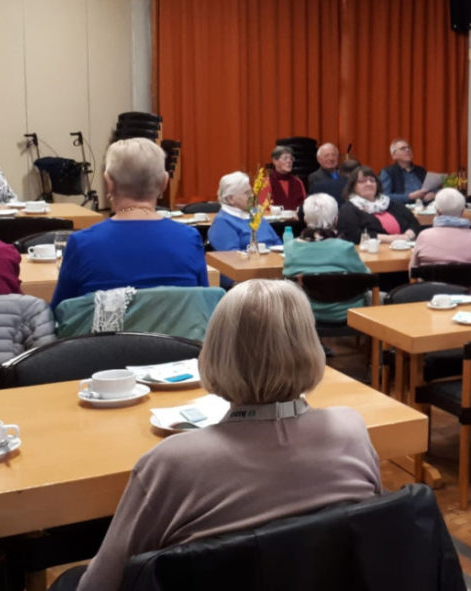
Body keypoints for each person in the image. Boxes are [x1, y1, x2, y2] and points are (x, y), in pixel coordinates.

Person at [69, 279, 382, 591]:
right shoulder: (350, 430)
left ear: (215, 351)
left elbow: (97, 586)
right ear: (311, 348)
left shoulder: (170, 462)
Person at [52, 139, 207, 309]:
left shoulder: (82, 244)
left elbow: (61, 313)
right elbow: (201, 307)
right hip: (178, 335)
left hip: (104, 336)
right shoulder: (189, 239)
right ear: (164, 183)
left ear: (109, 183)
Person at [284, 194, 372, 323]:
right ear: (336, 219)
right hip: (348, 312)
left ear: (305, 218)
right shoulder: (345, 247)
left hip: (306, 313)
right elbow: (366, 278)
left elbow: (287, 277)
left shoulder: (291, 248)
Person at [336, 166, 421, 245]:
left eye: (372, 180)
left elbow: (414, 222)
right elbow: (352, 235)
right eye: (362, 181)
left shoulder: (390, 203)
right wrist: (390, 238)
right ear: (353, 186)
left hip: (403, 247)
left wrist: (408, 235)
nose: (369, 183)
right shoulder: (348, 209)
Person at [410, 188, 471, 268]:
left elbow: (412, 271)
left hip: (431, 280)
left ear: (437, 212)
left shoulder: (424, 236)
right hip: (468, 280)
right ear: (462, 212)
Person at [207, 171, 280, 252]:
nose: (252, 196)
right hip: (253, 263)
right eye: (247, 193)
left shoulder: (255, 213)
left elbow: (277, 243)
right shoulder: (222, 223)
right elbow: (232, 258)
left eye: (251, 192)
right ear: (230, 199)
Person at [379, 138, 434, 206]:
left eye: (409, 148)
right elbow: (385, 196)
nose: (407, 150)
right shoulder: (388, 172)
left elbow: (433, 188)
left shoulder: (421, 170)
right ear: (394, 155)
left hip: (426, 206)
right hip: (402, 209)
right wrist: (409, 197)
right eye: (403, 148)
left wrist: (433, 194)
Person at [264, 146, 307, 212]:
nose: (289, 161)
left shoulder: (298, 182)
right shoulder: (267, 182)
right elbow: (263, 208)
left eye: (291, 158)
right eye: (285, 158)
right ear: (275, 161)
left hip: (296, 221)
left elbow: (305, 205)